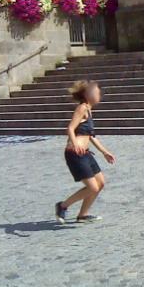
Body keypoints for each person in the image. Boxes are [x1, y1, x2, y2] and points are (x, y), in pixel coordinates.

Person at [54, 80, 116, 224]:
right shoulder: (81, 108)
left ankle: (82, 215)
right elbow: (70, 128)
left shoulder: (89, 110)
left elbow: (91, 136)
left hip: (85, 153)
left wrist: (105, 152)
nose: (98, 93)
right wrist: (75, 144)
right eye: (95, 91)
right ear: (86, 95)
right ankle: (62, 206)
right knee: (92, 187)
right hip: (75, 154)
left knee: (100, 183)